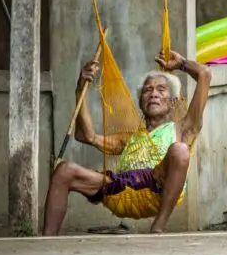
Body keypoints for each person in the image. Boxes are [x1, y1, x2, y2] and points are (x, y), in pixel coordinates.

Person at [42, 49, 211, 235]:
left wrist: (181, 64)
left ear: (173, 102)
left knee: (180, 150)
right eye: (148, 90)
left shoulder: (182, 129)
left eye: (160, 90)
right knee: (64, 170)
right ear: (141, 102)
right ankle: (47, 238)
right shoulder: (129, 138)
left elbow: (204, 74)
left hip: (157, 185)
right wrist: (80, 88)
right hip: (121, 189)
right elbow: (86, 136)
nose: (153, 94)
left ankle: (159, 225)